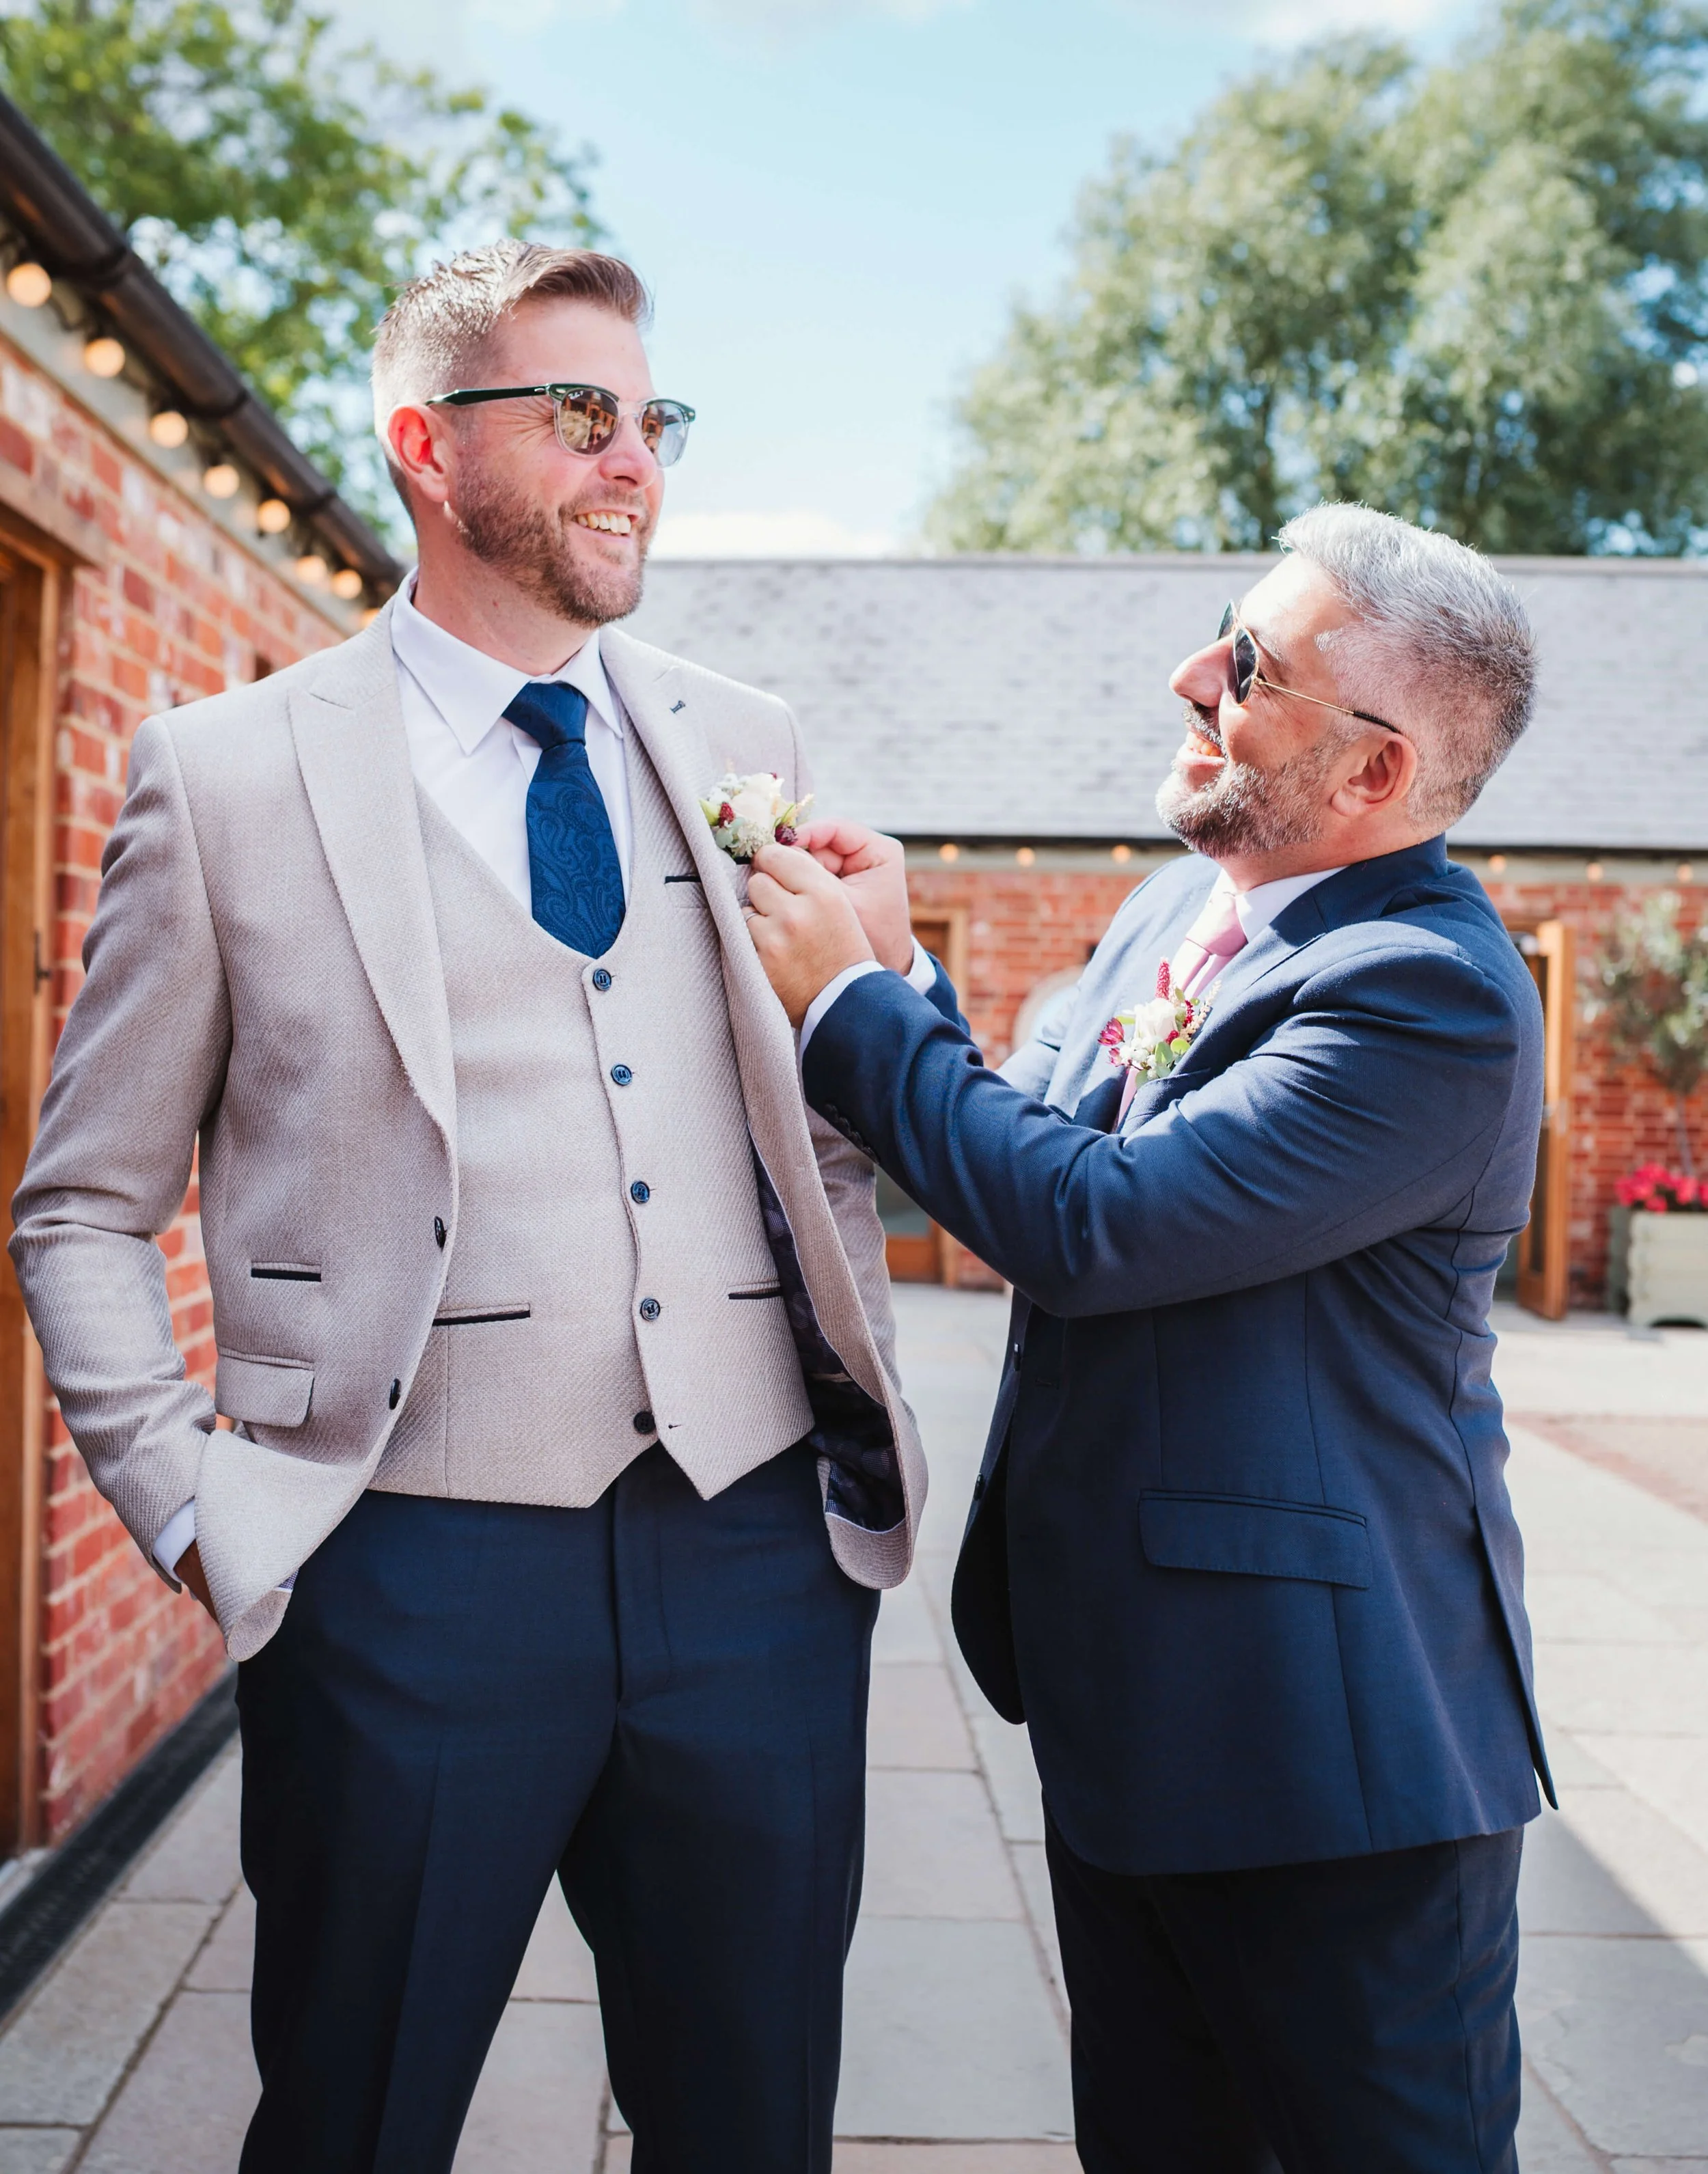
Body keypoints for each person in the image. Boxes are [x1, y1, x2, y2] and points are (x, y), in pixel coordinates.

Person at [10, 240, 931, 2174]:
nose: (633, 461)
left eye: (650, 417)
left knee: (752, 2120)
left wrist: (893, 989)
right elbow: (81, 1208)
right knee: (355, 2115)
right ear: (430, 447)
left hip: (752, 1551)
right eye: (577, 412)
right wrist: (197, 1507)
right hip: (402, 1568)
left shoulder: (740, 738)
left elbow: (840, 1118)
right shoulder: (229, 776)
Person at [744, 504, 1554, 2173]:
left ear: (1372, 775)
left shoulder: (1427, 992)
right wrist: (898, 959)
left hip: (1332, 1764)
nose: (1188, 673)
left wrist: (845, 1004)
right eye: (1220, 626)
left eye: (1248, 665)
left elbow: (1092, 1227)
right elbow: (1035, 1136)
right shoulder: (1172, 910)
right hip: (1140, 1712)